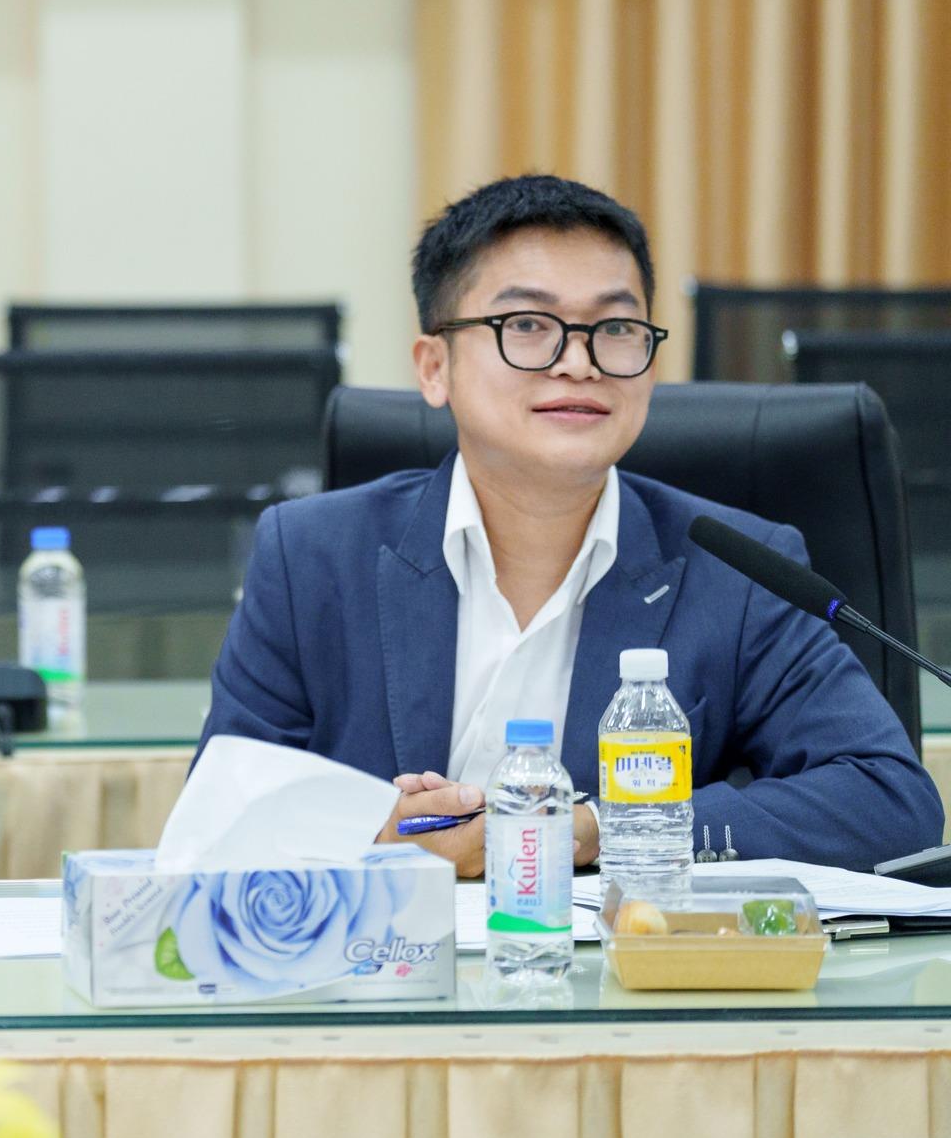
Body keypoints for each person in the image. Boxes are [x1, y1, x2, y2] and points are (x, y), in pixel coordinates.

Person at [200, 174, 942, 876]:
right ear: (434, 367)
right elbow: (217, 822)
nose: (581, 362)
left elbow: (888, 799)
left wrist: (596, 827)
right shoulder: (308, 557)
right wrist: (374, 840)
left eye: (615, 327)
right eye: (527, 324)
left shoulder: (741, 571)